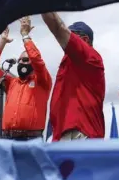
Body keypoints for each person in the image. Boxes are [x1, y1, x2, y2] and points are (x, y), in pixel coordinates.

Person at [0, 17, 52, 140]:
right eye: (20, 60)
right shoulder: (11, 82)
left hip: (31, 139)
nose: (21, 62)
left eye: (26, 60)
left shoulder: (42, 80)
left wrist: (25, 35)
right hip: (8, 138)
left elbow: (36, 59)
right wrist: (2, 41)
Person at [42, 12, 105, 141]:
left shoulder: (90, 57)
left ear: (85, 40)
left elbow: (58, 28)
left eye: (73, 36)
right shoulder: (69, 61)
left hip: (81, 132)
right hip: (64, 131)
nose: (65, 40)